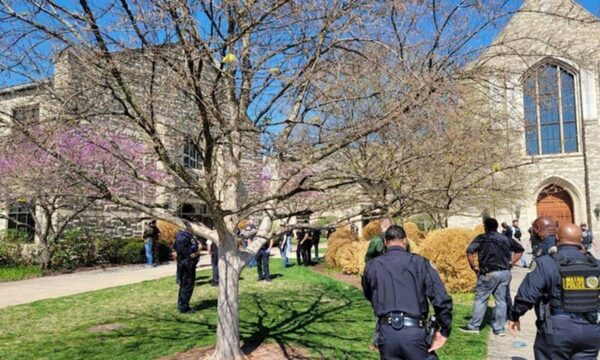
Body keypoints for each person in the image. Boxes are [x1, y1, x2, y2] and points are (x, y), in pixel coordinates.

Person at [508, 223, 600, 359]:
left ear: (557, 238)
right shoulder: (596, 264)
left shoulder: (545, 263)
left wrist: (515, 316)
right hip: (591, 330)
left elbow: (528, 295)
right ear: (581, 239)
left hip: (558, 330)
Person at [362, 225, 453, 359]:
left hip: (386, 334)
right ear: (405, 241)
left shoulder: (372, 266)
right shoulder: (420, 263)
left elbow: (369, 294)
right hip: (414, 333)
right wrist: (444, 329)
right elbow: (440, 298)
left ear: (385, 243)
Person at [461, 217, 524, 336]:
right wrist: (511, 262)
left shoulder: (482, 238)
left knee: (481, 299)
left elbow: (470, 251)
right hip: (504, 272)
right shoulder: (505, 238)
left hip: (488, 273)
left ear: (485, 227)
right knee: (501, 301)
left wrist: (473, 266)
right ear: (496, 227)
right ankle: (499, 329)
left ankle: (474, 325)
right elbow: (520, 250)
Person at [173, 229, 200, 313]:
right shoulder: (189, 236)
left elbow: (174, 247)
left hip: (180, 262)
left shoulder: (178, 235)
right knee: (188, 284)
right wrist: (197, 252)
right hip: (188, 263)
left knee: (183, 284)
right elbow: (195, 248)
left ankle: (181, 304)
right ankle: (184, 307)